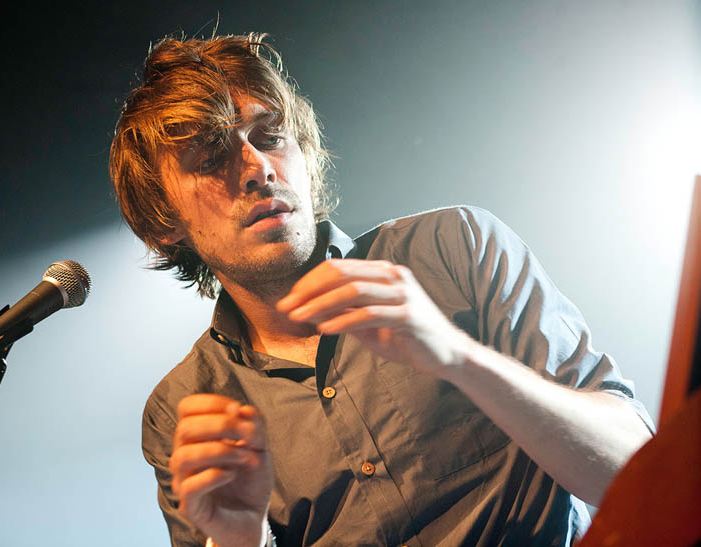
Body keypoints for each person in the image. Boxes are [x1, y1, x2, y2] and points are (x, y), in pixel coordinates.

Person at [109, 33, 654, 546]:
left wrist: (461, 358)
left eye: (270, 137)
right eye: (211, 159)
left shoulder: (455, 246)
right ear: (163, 222)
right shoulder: (180, 409)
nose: (257, 168)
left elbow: (639, 469)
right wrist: (238, 540)